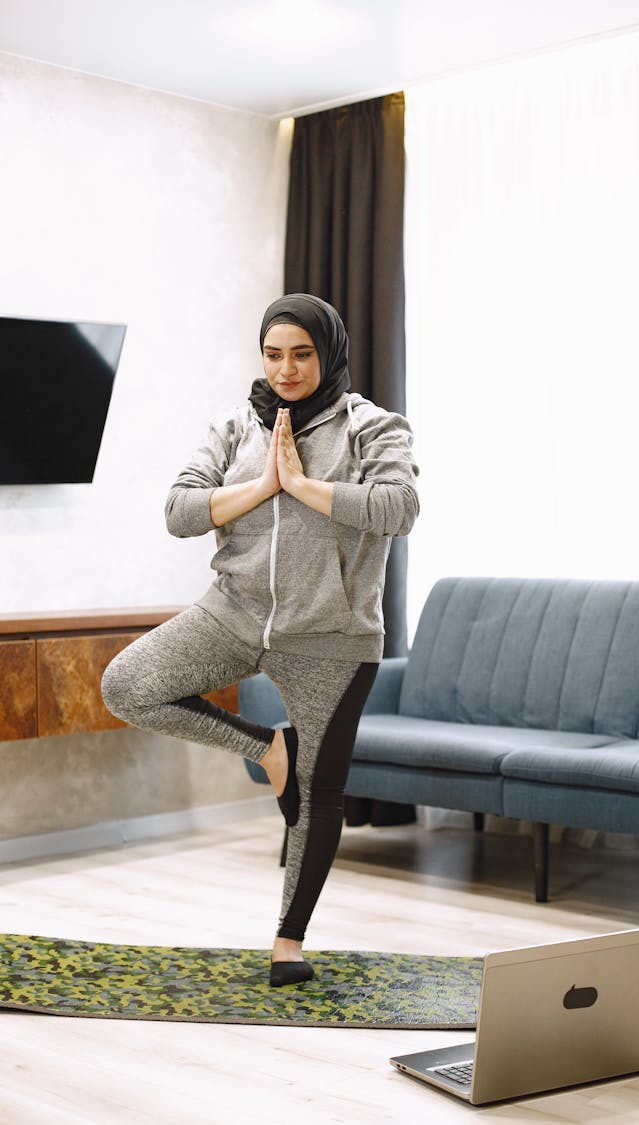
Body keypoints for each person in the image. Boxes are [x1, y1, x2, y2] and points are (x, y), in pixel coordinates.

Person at [101, 293, 419, 986]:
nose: (286, 368)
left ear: (327, 352)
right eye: (273, 353)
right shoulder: (236, 425)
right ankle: (267, 747)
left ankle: (288, 941)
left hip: (330, 634)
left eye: (301, 353)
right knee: (126, 684)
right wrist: (263, 485)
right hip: (233, 611)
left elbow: (400, 507)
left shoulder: (372, 426)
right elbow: (180, 511)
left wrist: (305, 485)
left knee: (317, 792)